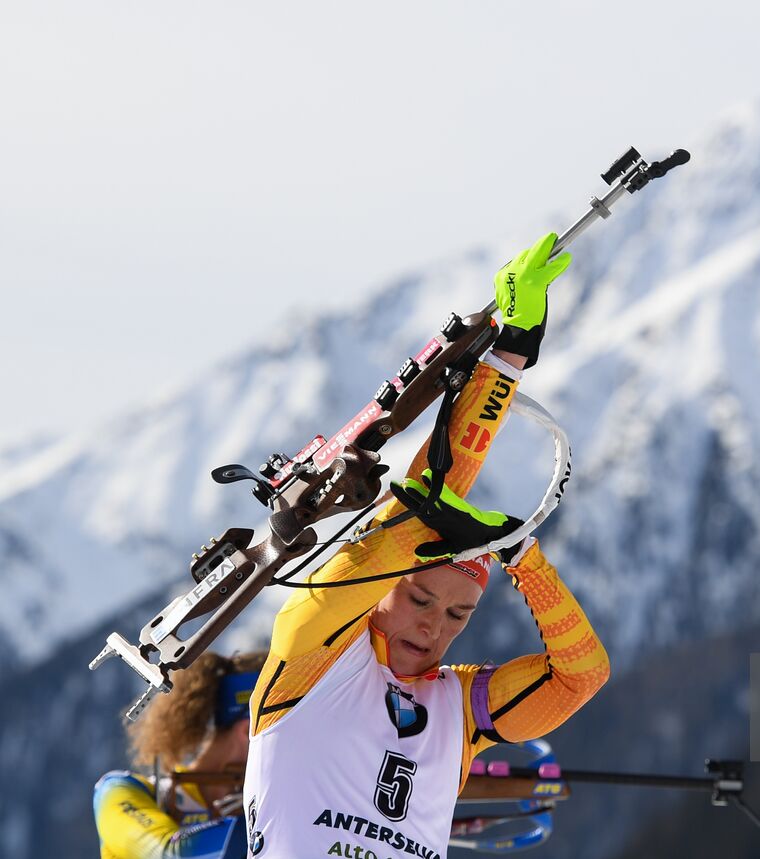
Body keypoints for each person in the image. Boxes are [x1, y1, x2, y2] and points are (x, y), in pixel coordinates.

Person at [242, 232, 609, 859]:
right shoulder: (314, 660)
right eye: (419, 600)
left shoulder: (458, 708)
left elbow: (580, 677)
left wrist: (526, 562)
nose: (435, 625)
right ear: (386, 588)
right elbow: (408, 514)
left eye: (458, 614)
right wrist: (508, 358)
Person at [94, 649, 268, 859]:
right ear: (248, 730)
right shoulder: (118, 790)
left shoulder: (263, 799)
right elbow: (171, 854)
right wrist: (266, 822)